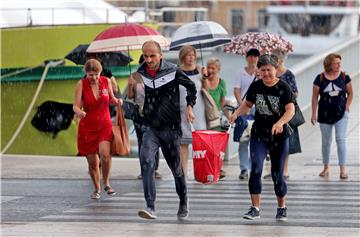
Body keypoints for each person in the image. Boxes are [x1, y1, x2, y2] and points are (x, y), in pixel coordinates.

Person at [229, 54, 295, 221]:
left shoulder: (284, 87)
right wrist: (236, 113)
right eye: (263, 70)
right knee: (256, 169)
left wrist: (280, 123)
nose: (266, 73)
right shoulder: (256, 86)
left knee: (277, 174)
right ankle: (255, 208)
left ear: (276, 69)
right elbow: (248, 104)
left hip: (279, 136)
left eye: (269, 70)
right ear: (258, 70)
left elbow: (290, 110)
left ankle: (282, 207)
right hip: (259, 134)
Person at [136, 41, 196, 220]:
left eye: (152, 56)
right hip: (151, 128)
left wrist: (190, 106)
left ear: (161, 55)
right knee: (146, 161)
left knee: (176, 170)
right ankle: (150, 206)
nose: (148, 60)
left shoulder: (172, 70)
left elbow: (191, 86)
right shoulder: (142, 71)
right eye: (145, 56)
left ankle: (183, 201)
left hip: (171, 129)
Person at [73, 59, 121, 200]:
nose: (94, 78)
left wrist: (117, 101)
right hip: (88, 127)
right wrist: (79, 112)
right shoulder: (81, 84)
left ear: (100, 73)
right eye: (90, 75)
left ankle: (106, 183)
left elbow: (111, 99)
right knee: (93, 163)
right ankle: (97, 188)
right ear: (86, 74)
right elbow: (75, 105)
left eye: (96, 74)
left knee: (105, 155)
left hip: (104, 124)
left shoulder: (106, 81)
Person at [311, 53, 353, 179]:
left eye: (340, 62)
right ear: (329, 64)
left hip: (341, 113)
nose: (339, 65)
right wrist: (314, 113)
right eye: (336, 63)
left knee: (340, 140)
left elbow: (351, 93)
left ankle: (342, 169)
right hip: (324, 114)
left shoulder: (345, 77)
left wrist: (347, 106)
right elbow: (314, 97)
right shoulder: (320, 78)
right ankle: (326, 167)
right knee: (326, 142)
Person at [263, 48, 302, 180]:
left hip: (285, 113)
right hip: (270, 113)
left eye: (274, 59)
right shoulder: (268, 74)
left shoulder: (288, 74)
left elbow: (295, 93)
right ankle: (273, 170)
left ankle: (285, 170)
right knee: (271, 142)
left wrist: (284, 90)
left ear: (280, 60)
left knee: (286, 141)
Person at [127, 56, 162, 180]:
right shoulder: (134, 76)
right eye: (144, 62)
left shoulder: (156, 75)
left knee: (154, 141)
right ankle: (144, 169)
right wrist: (131, 86)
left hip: (154, 113)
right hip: (139, 114)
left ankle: (155, 168)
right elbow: (130, 97)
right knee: (142, 142)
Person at [178, 45, 207, 178]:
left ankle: (200, 172)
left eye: (193, 55)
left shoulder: (200, 70)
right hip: (181, 109)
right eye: (189, 55)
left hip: (199, 109)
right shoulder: (177, 72)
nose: (191, 57)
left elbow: (207, 90)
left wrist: (205, 77)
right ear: (183, 57)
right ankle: (184, 174)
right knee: (183, 143)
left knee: (199, 144)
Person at [233, 48, 260, 180]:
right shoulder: (240, 73)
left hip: (258, 110)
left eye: (255, 56)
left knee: (256, 140)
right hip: (244, 109)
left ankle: (254, 166)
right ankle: (244, 168)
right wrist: (242, 105)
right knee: (243, 140)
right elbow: (237, 90)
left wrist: (259, 76)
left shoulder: (261, 73)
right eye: (250, 56)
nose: (253, 59)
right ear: (246, 57)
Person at [203, 57, 228, 179]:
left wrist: (229, 117)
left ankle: (218, 168)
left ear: (218, 69)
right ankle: (209, 168)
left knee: (216, 146)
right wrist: (205, 79)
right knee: (207, 145)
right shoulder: (204, 81)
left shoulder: (222, 82)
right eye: (209, 67)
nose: (210, 70)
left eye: (213, 68)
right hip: (204, 117)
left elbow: (223, 103)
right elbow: (205, 96)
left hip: (216, 118)